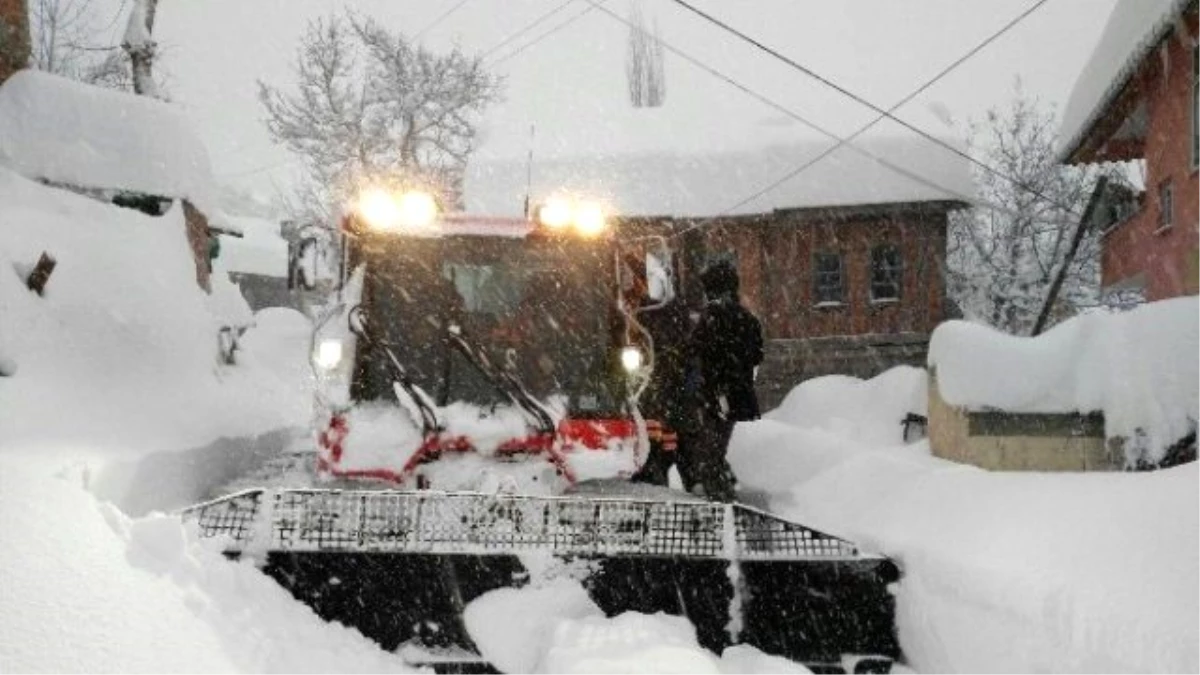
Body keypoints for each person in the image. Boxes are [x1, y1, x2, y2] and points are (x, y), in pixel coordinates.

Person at [680, 259, 763, 502]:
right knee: (715, 447)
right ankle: (724, 490)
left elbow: (693, 349)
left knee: (708, 451)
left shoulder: (713, 318)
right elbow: (757, 353)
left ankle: (721, 499)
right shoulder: (747, 318)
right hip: (736, 394)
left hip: (716, 394)